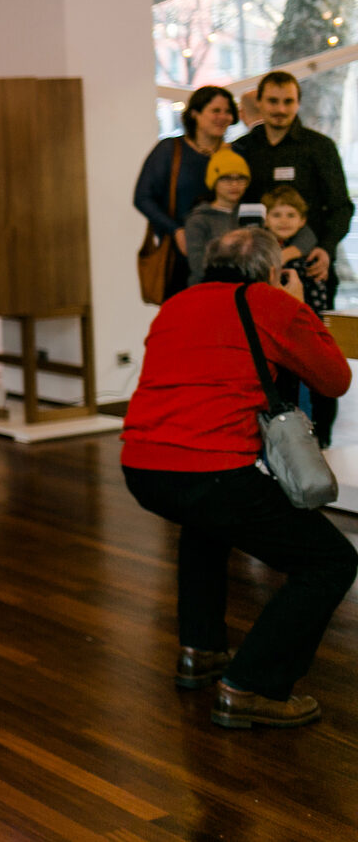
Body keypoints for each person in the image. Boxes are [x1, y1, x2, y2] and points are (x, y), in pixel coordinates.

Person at [121, 226, 355, 729]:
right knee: (331, 562)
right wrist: (299, 306)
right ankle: (252, 686)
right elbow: (335, 378)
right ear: (271, 270)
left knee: (206, 525)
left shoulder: (178, 303)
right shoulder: (272, 303)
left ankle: (200, 651)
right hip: (211, 468)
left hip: (142, 466)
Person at [235, 71, 351, 294]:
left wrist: (326, 248)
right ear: (259, 102)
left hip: (311, 268)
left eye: (288, 101)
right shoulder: (241, 149)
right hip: (254, 269)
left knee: (309, 329)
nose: (280, 109)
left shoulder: (320, 147)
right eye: (272, 101)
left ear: (298, 103)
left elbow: (341, 207)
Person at [133, 85, 237, 299]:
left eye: (227, 111)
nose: (223, 117)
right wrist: (176, 230)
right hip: (180, 257)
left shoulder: (236, 153)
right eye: (215, 111)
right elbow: (142, 197)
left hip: (228, 257)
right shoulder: (171, 150)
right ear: (195, 114)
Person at [264, 185, 336, 446]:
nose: (283, 220)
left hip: (305, 330)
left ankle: (319, 435)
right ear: (266, 218)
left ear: (303, 220)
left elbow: (317, 303)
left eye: (291, 215)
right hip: (275, 336)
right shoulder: (262, 256)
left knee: (312, 385)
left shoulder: (311, 259)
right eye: (277, 214)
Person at [183, 148, 251, 285]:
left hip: (246, 289)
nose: (234, 184)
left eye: (241, 178)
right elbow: (198, 265)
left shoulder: (251, 213)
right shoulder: (199, 219)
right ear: (214, 182)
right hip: (207, 289)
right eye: (226, 178)